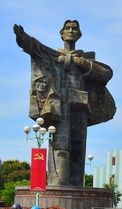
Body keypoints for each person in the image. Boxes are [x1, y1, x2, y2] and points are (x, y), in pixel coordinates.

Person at [14, 20, 116, 187]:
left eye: (74, 28)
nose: (71, 30)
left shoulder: (85, 58)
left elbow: (106, 74)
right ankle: (58, 185)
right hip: (59, 106)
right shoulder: (54, 56)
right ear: (61, 33)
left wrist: (84, 64)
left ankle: (76, 187)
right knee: (61, 147)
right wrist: (22, 37)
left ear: (79, 34)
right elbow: (35, 48)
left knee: (78, 147)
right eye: (67, 28)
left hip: (81, 105)